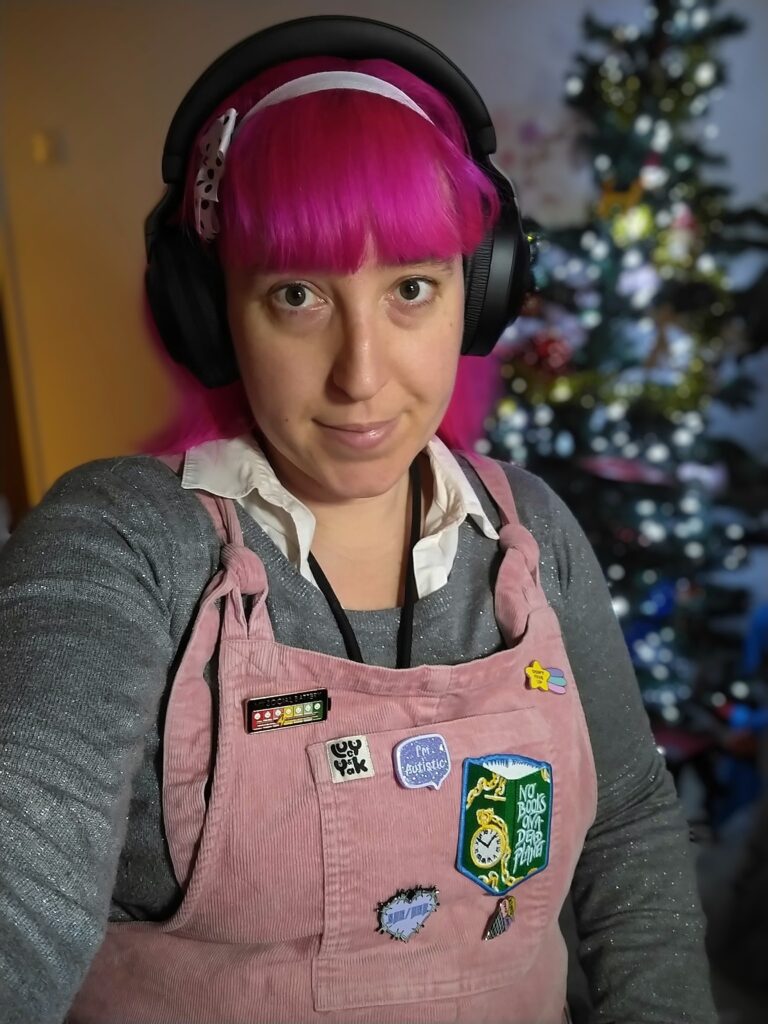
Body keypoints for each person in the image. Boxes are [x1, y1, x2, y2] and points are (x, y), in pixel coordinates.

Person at [0, 15, 717, 1024]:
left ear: (479, 294)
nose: (363, 375)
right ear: (212, 311)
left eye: (412, 288)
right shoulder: (123, 541)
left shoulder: (535, 532)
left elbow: (628, 827)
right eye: (297, 295)